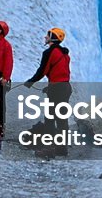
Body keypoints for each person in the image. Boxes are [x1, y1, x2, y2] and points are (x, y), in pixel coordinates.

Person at [22, 28, 71, 157]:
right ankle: (62, 148)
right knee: (62, 119)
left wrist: (30, 82)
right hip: (65, 88)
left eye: (48, 36)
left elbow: (42, 71)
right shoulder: (65, 54)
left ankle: (48, 148)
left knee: (49, 118)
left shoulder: (50, 52)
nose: (45, 37)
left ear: (53, 38)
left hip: (57, 89)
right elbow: (62, 73)